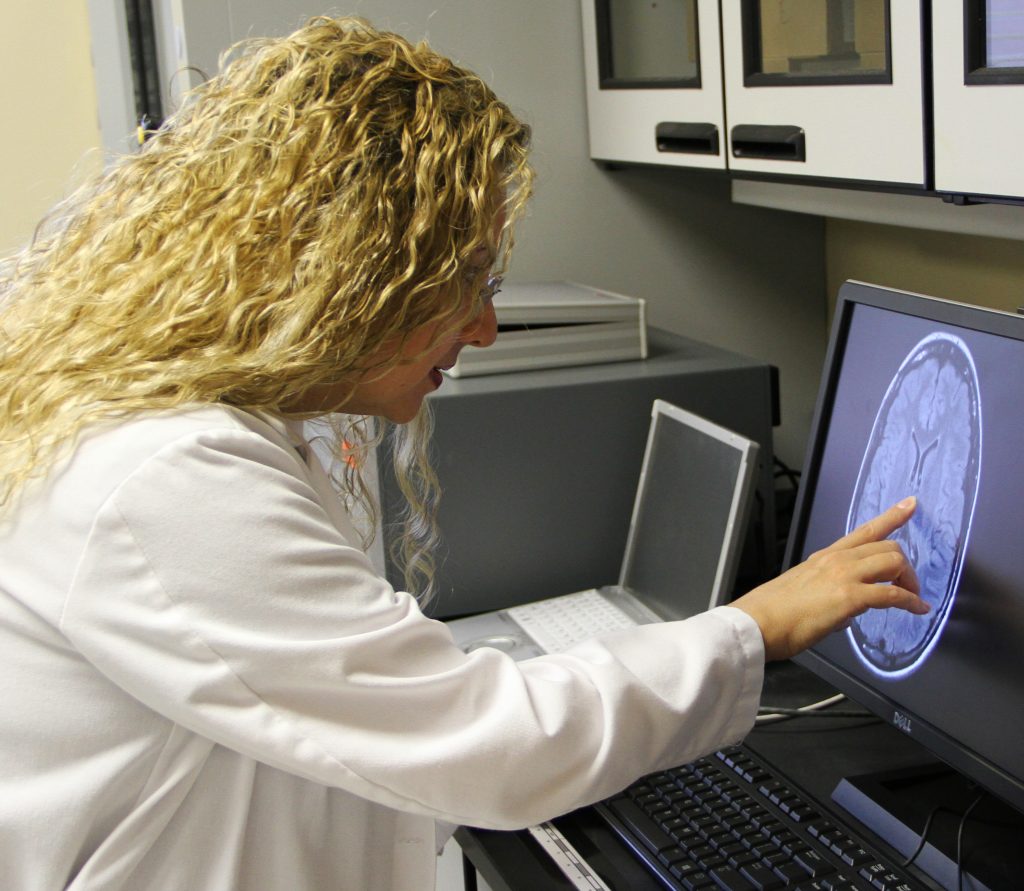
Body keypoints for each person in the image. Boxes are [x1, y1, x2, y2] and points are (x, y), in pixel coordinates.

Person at [0, 16, 927, 891]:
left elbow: (378, 718)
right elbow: (491, 743)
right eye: (465, 282)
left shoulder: (193, 416)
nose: (484, 328)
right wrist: (756, 625)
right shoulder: (166, 476)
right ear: (348, 275)